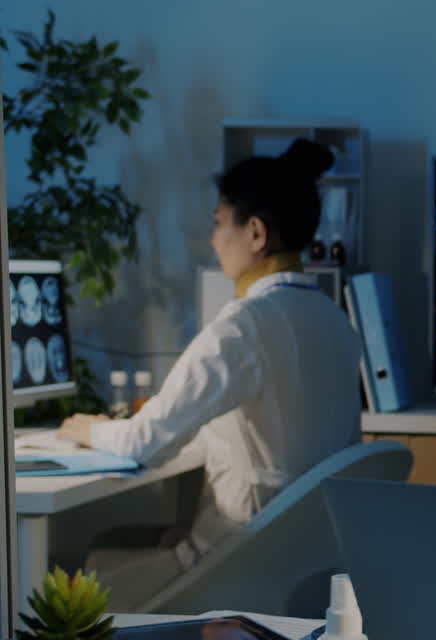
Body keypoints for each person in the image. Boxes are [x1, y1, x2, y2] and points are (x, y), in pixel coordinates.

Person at [59, 139, 363, 611]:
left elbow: (145, 441)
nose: (213, 239)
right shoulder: (335, 320)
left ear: (255, 233)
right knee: (137, 538)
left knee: (72, 576)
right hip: (310, 570)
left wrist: (88, 430)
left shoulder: (245, 324)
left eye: (220, 223)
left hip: (238, 563)